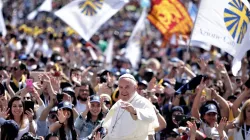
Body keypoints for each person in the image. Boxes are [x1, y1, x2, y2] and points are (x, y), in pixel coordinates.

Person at [102, 74, 158, 140]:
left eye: (127, 87)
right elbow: (112, 132)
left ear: (135, 87)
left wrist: (135, 112)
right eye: (121, 87)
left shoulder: (143, 102)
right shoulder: (118, 103)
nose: (123, 90)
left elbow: (151, 117)